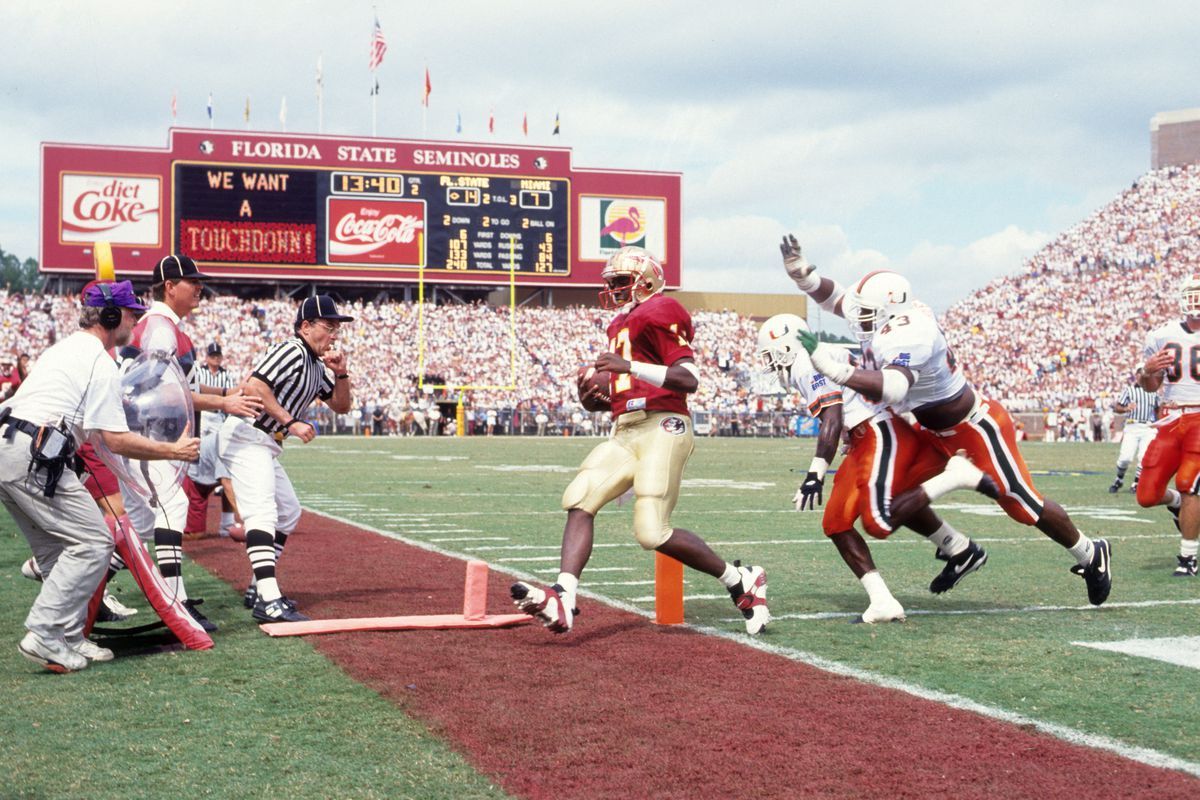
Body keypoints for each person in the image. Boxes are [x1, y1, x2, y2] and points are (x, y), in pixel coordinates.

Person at [780, 234, 1113, 605]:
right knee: (891, 498)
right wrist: (804, 278)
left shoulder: (912, 333)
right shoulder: (888, 317)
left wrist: (838, 372)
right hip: (927, 429)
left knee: (1021, 505)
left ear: (890, 313)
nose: (857, 320)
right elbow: (839, 299)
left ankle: (1089, 552)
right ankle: (958, 548)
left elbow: (891, 387)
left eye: (867, 314)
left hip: (972, 429)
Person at [511, 246, 769, 635]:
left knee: (651, 532)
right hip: (626, 429)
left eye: (620, 281)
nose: (613, 288)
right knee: (579, 498)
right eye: (611, 282)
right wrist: (600, 401)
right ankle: (564, 595)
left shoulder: (663, 309)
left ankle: (738, 579)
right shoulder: (618, 324)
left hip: (664, 425)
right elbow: (629, 387)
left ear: (646, 282)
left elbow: (688, 380)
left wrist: (627, 366)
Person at [2, 280, 199, 672]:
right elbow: (116, 440)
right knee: (95, 542)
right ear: (112, 317)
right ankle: (44, 633)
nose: (134, 322)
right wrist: (171, 451)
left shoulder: (64, 349)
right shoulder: (100, 361)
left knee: (58, 552)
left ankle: (68, 636)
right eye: (131, 314)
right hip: (34, 454)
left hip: (12, 448)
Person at [757, 314, 990, 623]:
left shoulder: (804, 361)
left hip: (877, 433)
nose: (771, 364)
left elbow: (832, 416)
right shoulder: (821, 352)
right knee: (842, 519)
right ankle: (954, 550)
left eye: (771, 355)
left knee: (873, 520)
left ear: (786, 346)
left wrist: (815, 474)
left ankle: (954, 479)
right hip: (872, 433)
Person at [118, 255, 262, 633]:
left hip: (145, 431)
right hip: (149, 432)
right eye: (191, 281)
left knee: (141, 523)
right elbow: (158, 390)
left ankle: (79, 577)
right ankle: (175, 601)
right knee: (172, 504)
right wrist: (223, 402)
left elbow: (179, 388)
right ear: (169, 285)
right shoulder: (163, 328)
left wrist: (225, 392)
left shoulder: (164, 325)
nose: (199, 287)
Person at [220, 295, 354, 622]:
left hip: (262, 440)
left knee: (288, 511)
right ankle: (268, 599)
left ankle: (257, 587)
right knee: (262, 512)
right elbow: (254, 387)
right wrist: (290, 421)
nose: (334, 334)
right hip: (246, 433)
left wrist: (341, 374)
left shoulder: (316, 364)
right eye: (328, 326)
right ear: (305, 327)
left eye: (337, 327)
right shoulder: (291, 350)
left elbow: (341, 406)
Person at [1135, 274, 1200, 578]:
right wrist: (1145, 372)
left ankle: (1188, 557)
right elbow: (1150, 386)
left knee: (1190, 483)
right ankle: (1176, 505)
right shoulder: (1161, 335)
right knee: (1146, 495)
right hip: (1171, 419)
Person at [185, 342, 243, 539]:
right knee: (195, 534)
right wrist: (248, 521)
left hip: (219, 416)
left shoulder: (227, 376)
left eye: (219, 355)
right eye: (213, 355)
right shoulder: (199, 374)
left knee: (231, 476)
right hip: (196, 475)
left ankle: (226, 524)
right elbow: (226, 482)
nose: (216, 359)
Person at [1109, 380, 1160, 494]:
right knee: (1125, 458)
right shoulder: (1129, 390)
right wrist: (1126, 408)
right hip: (1132, 426)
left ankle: (1136, 483)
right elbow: (1117, 407)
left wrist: (1160, 424)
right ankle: (1119, 479)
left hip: (1148, 427)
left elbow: (1158, 410)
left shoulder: (1154, 392)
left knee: (1144, 457)